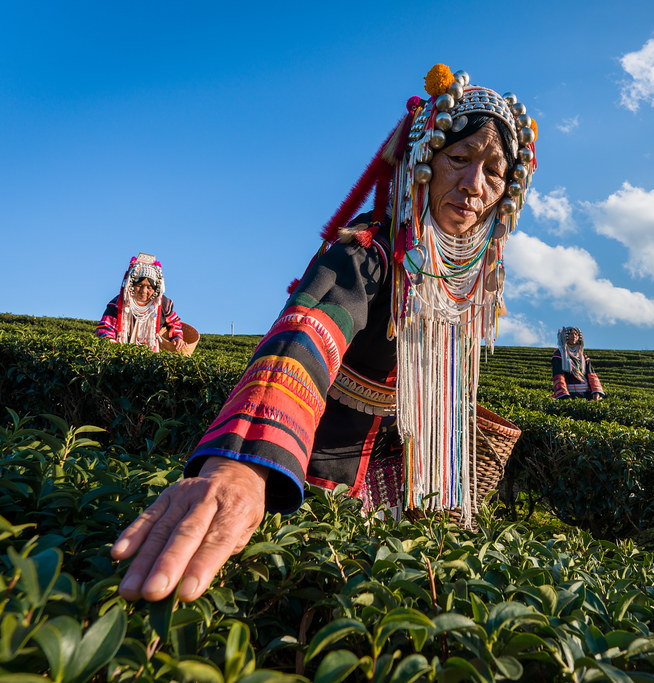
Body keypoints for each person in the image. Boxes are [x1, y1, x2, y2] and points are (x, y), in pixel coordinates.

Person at [111, 64, 538, 603]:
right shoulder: (368, 251)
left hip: (393, 489)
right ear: (422, 161)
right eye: (459, 158)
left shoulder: (467, 282)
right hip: (309, 477)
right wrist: (241, 466)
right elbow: (306, 335)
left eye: (495, 173)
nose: (475, 186)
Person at [97, 253, 185, 352]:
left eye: (149, 287)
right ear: (131, 285)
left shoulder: (162, 304)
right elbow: (105, 328)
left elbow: (174, 322)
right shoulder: (118, 304)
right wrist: (114, 350)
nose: (143, 291)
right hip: (121, 354)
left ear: (156, 289)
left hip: (151, 355)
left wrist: (176, 337)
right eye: (139, 285)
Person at [551, 326, 605, 400]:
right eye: (570, 334)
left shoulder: (582, 355)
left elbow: (591, 374)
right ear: (565, 336)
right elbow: (558, 375)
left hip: (586, 394)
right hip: (569, 394)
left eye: (576, 334)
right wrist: (564, 395)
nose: (573, 336)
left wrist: (596, 391)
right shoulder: (559, 354)